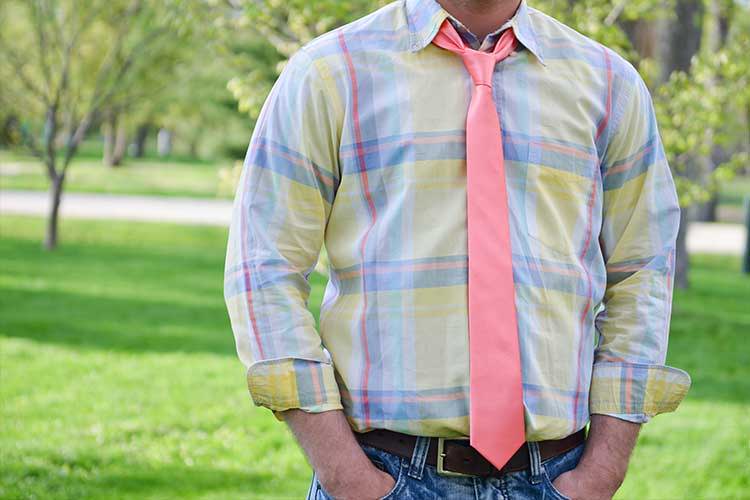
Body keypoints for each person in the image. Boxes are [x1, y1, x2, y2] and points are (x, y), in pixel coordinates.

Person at [223, 0, 692, 498]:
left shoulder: (608, 84)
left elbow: (643, 272)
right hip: (381, 470)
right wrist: (345, 475)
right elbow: (262, 270)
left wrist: (602, 471)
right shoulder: (328, 73)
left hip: (559, 474)